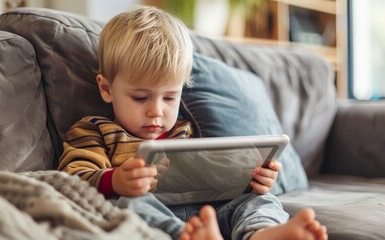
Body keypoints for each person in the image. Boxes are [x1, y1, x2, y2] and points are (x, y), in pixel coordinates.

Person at [58, 5, 327, 240]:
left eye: (169, 98)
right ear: (106, 89)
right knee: (131, 207)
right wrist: (115, 181)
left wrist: (254, 179)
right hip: (153, 213)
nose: (156, 111)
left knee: (258, 200)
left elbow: (215, 178)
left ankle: (263, 233)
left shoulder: (185, 130)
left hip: (206, 212)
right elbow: (72, 180)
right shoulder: (94, 131)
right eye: (140, 98)